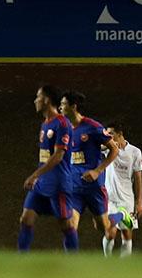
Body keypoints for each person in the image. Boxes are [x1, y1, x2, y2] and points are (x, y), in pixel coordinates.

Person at [18, 84, 78, 252]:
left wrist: (34, 175)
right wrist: (38, 177)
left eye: (38, 96)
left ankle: (74, 262)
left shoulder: (62, 123)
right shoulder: (45, 124)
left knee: (66, 224)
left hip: (58, 183)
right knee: (26, 219)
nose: (36, 100)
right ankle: (21, 260)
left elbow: (58, 156)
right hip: (42, 182)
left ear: (46, 100)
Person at [59, 91, 120, 245]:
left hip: (94, 188)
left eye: (63, 104)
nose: (60, 108)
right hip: (74, 188)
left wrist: (97, 171)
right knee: (70, 227)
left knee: (104, 229)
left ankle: (119, 216)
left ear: (73, 107)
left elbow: (114, 150)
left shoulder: (93, 127)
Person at [102, 122, 142, 257]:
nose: (109, 137)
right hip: (110, 198)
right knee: (110, 231)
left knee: (127, 234)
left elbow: (138, 177)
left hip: (127, 199)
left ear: (120, 134)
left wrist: (139, 202)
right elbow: (96, 146)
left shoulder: (135, 152)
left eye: (111, 134)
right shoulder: (108, 148)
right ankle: (107, 262)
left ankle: (124, 267)